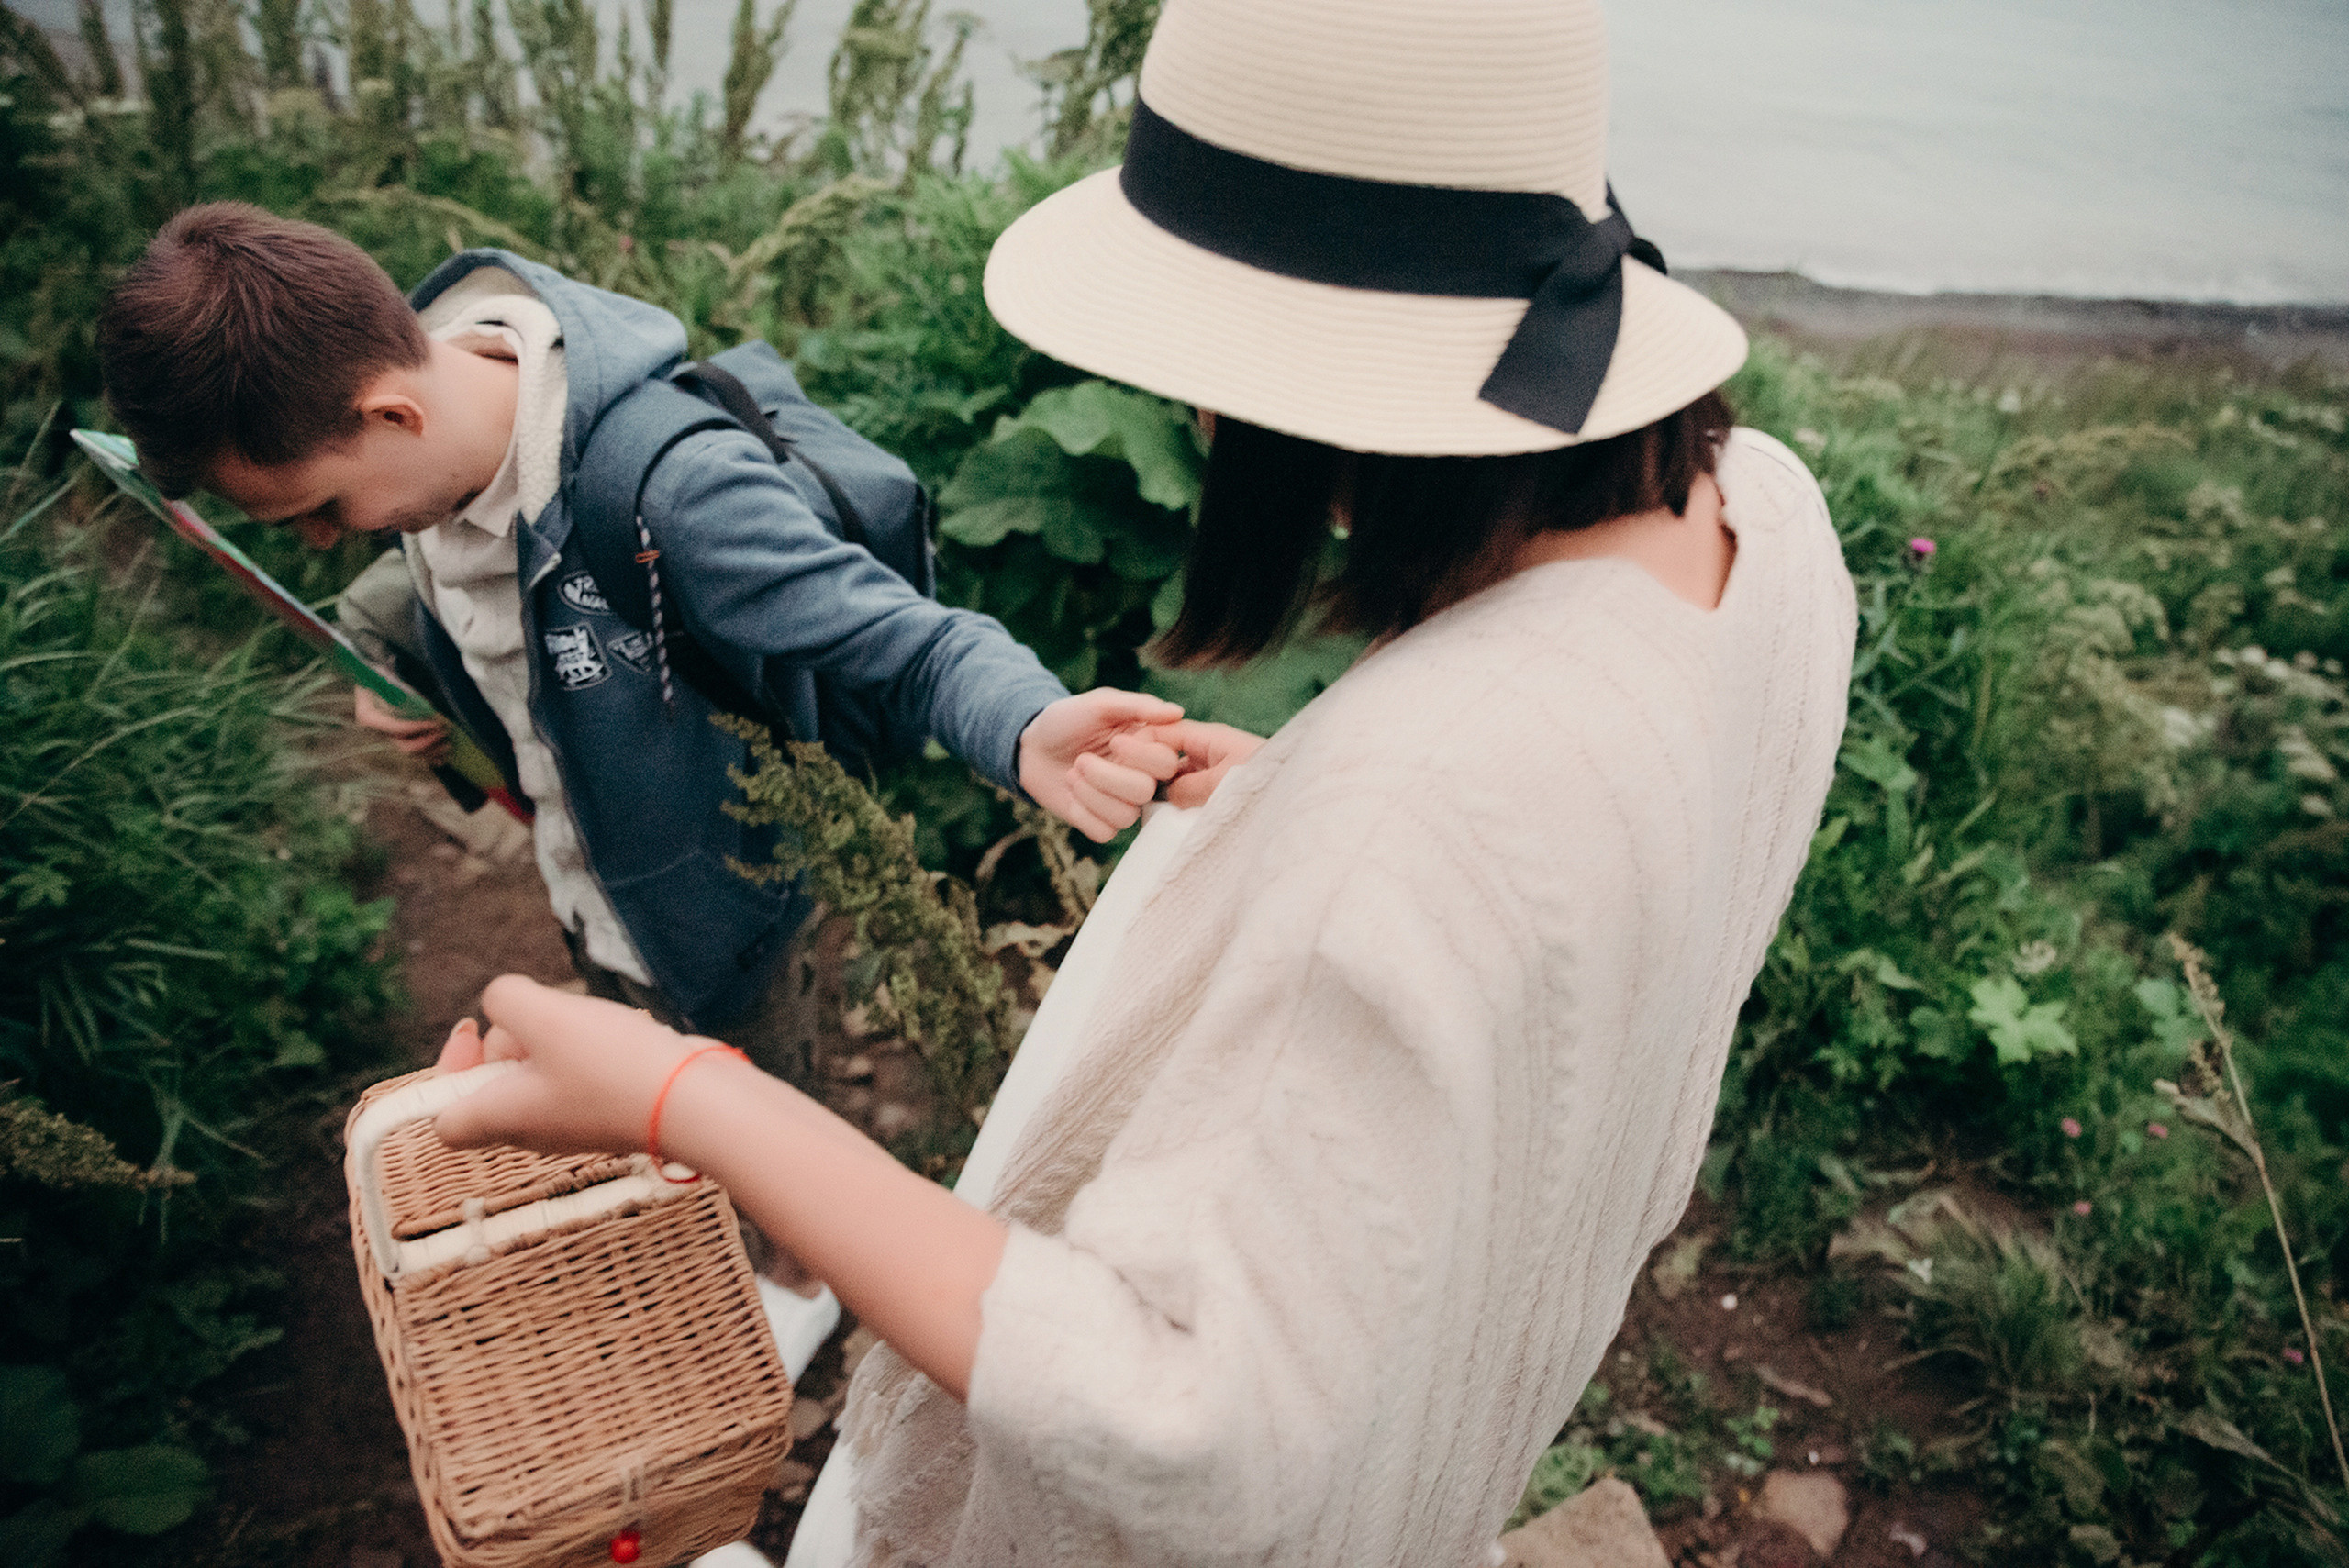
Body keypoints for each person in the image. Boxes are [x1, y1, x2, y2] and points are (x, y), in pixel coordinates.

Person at [428, 0, 1860, 1562]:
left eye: (1202, 363)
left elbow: (1182, 1423)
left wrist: (680, 1095)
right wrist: (1301, 808)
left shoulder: (1420, 804)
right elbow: (1596, 856)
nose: (1193, 410)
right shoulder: (1769, 520)